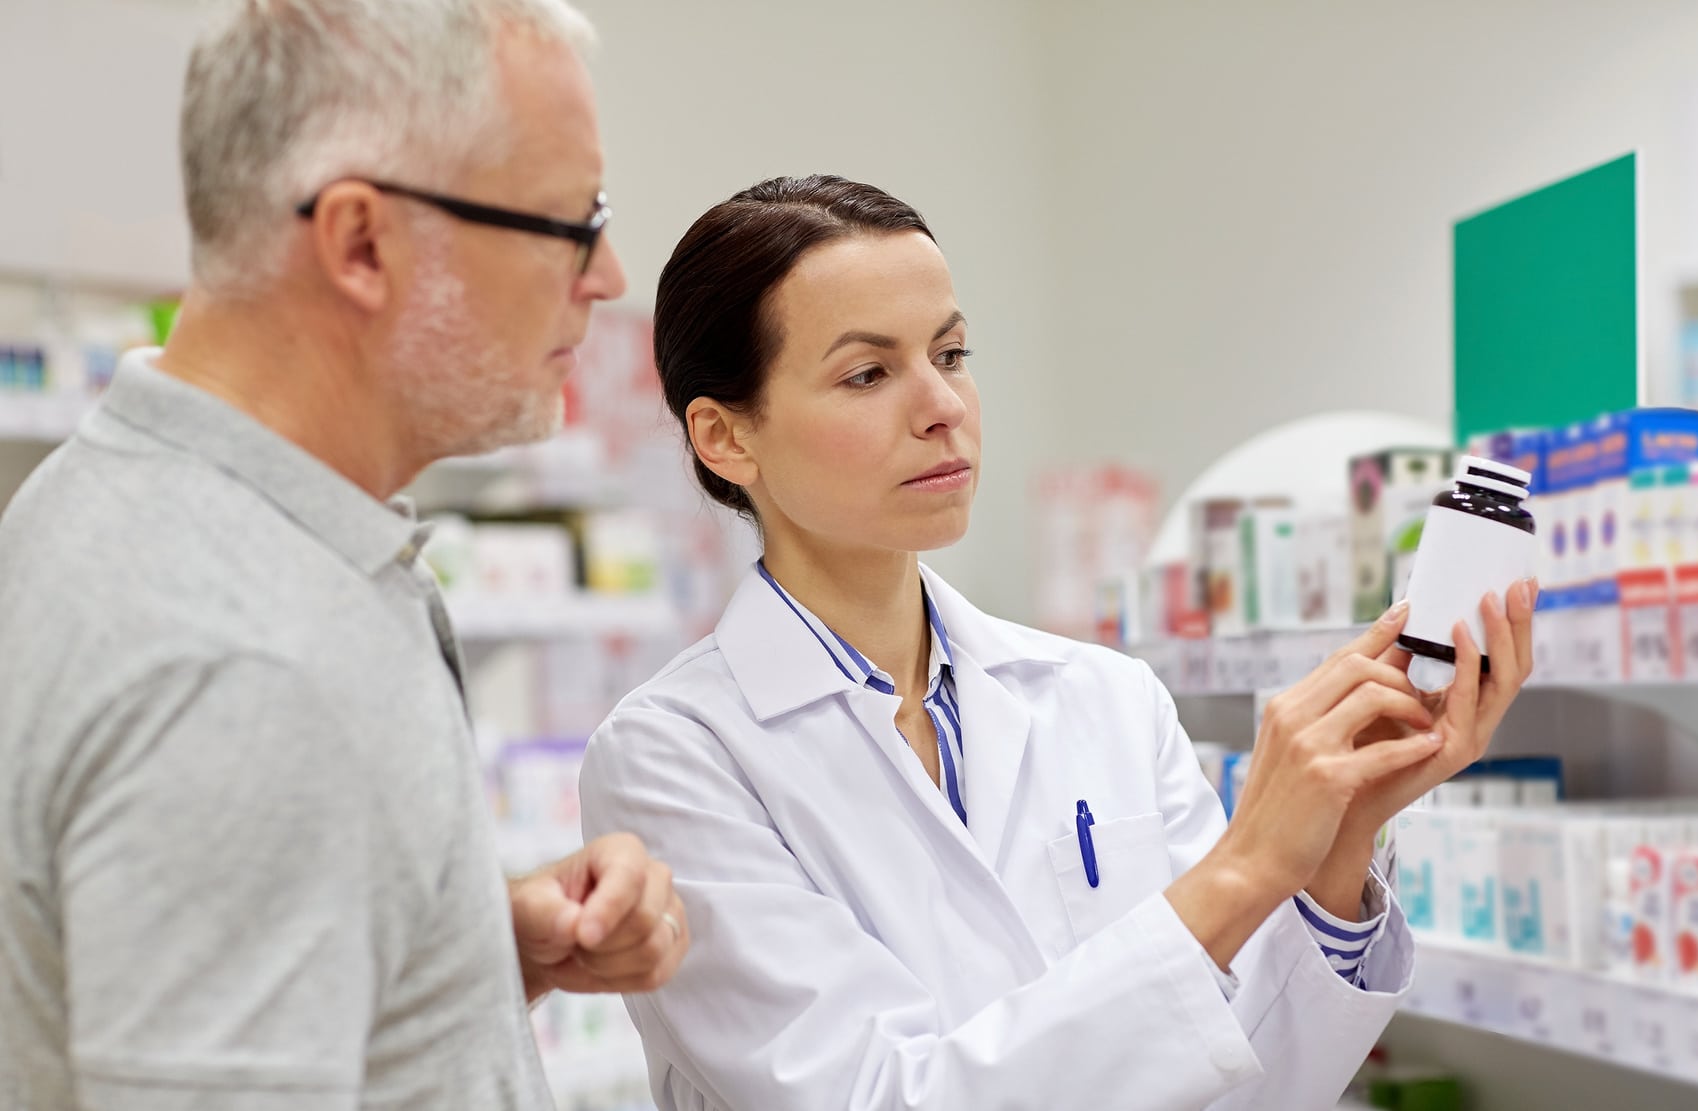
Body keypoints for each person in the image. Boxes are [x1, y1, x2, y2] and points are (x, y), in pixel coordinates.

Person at [578, 174, 1535, 1110]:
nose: (940, 406)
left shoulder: (1107, 697)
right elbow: (873, 1095)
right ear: (725, 438)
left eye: (950, 354)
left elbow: (1250, 1075)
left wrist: (1337, 844)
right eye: (868, 373)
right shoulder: (672, 755)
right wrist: (1243, 867)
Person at [0, 2, 687, 1108]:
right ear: (363, 243)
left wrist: (456, 947)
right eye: (570, 221)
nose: (606, 275)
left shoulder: (115, 495)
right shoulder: (251, 664)